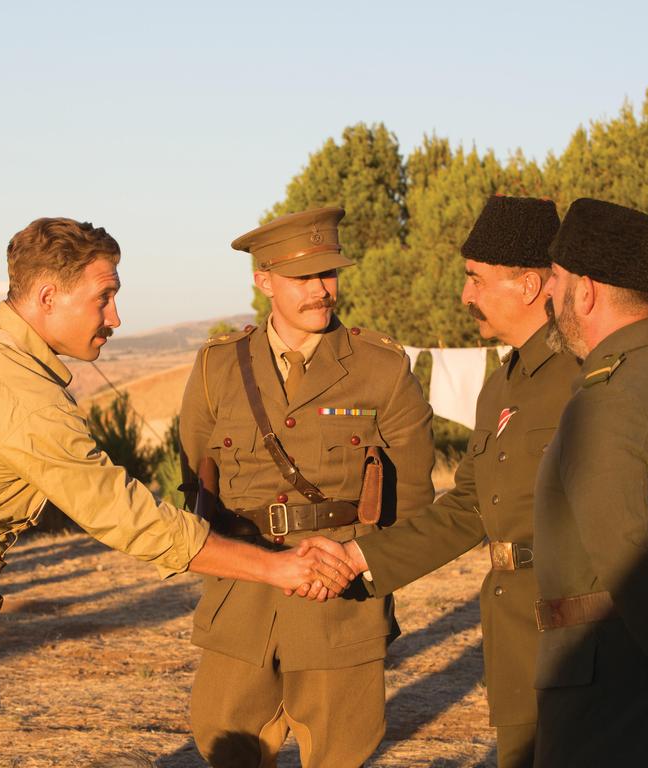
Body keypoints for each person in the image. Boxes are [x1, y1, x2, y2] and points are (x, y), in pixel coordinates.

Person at [0, 216, 354, 768]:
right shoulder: (25, 395)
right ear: (47, 296)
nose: (115, 318)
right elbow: (126, 516)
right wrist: (274, 569)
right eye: (103, 297)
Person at [299, 195, 576, 767]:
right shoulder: (503, 384)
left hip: (583, 641)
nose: (465, 295)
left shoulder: (585, 374)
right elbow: (468, 507)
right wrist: (358, 558)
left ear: (529, 286)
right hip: (518, 638)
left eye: (476, 279)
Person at [179, 206, 436, 767]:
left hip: (339, 601)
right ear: (263, 280)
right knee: (228, 748)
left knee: (341, 754)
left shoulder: (382, 368)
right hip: (240, 597)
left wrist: (357, 562)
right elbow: (195, 486)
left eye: (330, 274)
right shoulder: (216, 368)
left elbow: (414, 503)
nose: (323, 290)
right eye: (304, 278)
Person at [533, 198, 648, 767]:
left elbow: (631, 562)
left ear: (584, 292)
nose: (550, 296)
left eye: (557, 281)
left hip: (618, 698)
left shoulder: (606, 402)